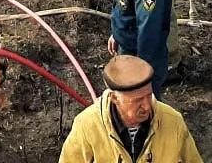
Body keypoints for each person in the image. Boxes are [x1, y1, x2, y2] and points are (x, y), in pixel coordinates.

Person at [59, 55, 204, 163]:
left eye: (148, 96)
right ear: (114, 98)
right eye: (137, 101)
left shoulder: (173, 122)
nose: (147, 106)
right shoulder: (86, 126)